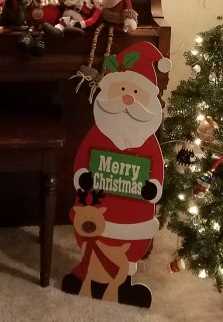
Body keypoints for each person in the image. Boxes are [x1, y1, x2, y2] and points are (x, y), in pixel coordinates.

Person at [63, 42, 171, 307]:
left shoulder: (147, 142)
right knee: (92, 238)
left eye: (135, 92)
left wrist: (152, 187)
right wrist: (84, 176)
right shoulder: (98, 133)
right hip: (97, 208)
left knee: (128, 249)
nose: (128, 99)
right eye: (122, 90)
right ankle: (89, 274)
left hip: (134, 216)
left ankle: (123, 283)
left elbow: (156, 169)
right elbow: (83, 159)